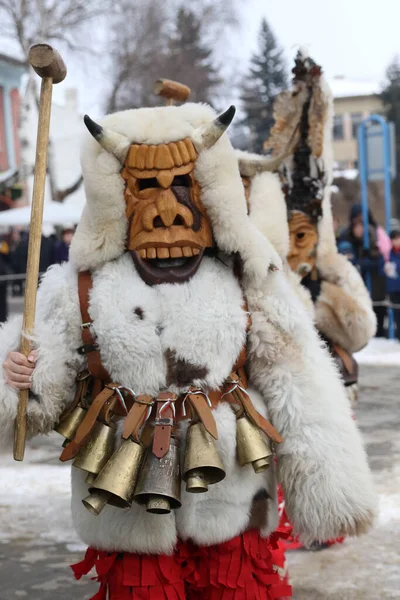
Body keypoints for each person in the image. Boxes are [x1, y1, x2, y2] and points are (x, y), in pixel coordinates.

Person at [0, 100, 376, 599]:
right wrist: (19, 377)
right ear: (118, 195)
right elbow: (38, 402)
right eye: (146, 188)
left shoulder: (249, 279)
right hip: (125, 505)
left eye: (181, 185)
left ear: (207, 192)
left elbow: (299, 382)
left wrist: (329, 489)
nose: (165, 210)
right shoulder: (77, 289)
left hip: (234, 499)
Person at [238, 50, 376, 552]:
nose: (296, 245)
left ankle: (325, 519)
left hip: (334, 389)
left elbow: (360, 331)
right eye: (288, 234)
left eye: (305, 236)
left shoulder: (331, 275)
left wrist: (328, 291)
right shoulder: (267, 281)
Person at [337, 205, 387, 337]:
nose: (360, 228)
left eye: (362, 224)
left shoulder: (374, 235)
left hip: (375, 285)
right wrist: (362, 263)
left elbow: (380, 258)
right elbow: (349, 261)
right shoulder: (345, 239)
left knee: (377, 309)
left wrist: (368, 261)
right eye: (357, 224)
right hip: (354, 283)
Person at [383, 230, 400, 340]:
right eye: (393, 239)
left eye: (397, 238)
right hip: (393, 289)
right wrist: (385, 268)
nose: (395, 241)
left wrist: (396, 267)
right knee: (396, 317)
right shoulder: (388, 254)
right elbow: (381, 266)